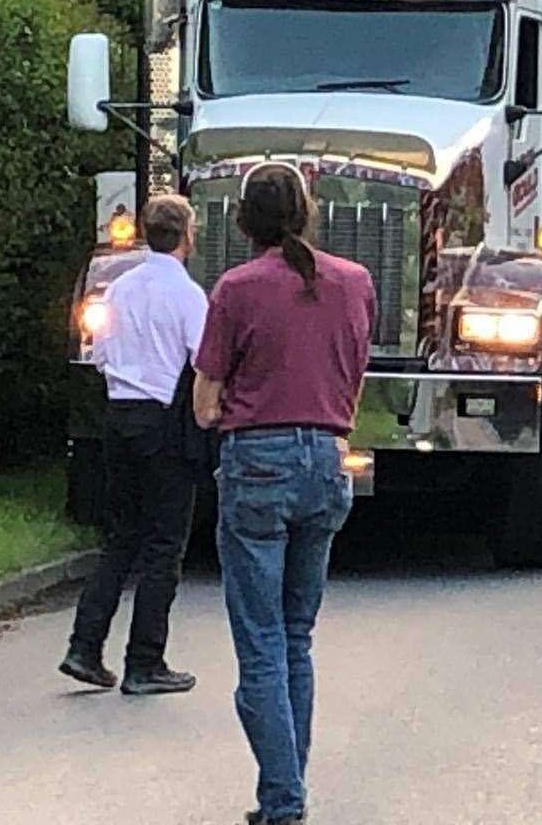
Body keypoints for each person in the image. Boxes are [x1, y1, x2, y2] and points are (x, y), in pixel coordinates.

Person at [193, 164, 374, 825]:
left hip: (258, 461)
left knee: (262, 642)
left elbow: (206, 403)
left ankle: (283, 797)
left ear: (244, 220)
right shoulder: (355, 283)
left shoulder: (236, 290)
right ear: (307, 213)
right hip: (327, 457)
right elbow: (354, 370)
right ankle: (285, 787)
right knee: (297, 636)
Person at [60, 195, 208, 694]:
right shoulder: (188, 296)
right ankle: (145, 662)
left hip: (118, 415)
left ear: (147, 233)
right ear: (187, 236)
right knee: (165, 544)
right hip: (163, 419)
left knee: (120, 537)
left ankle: (84, 647)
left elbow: (100, 354)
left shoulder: (118, 288)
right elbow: (205, 360)